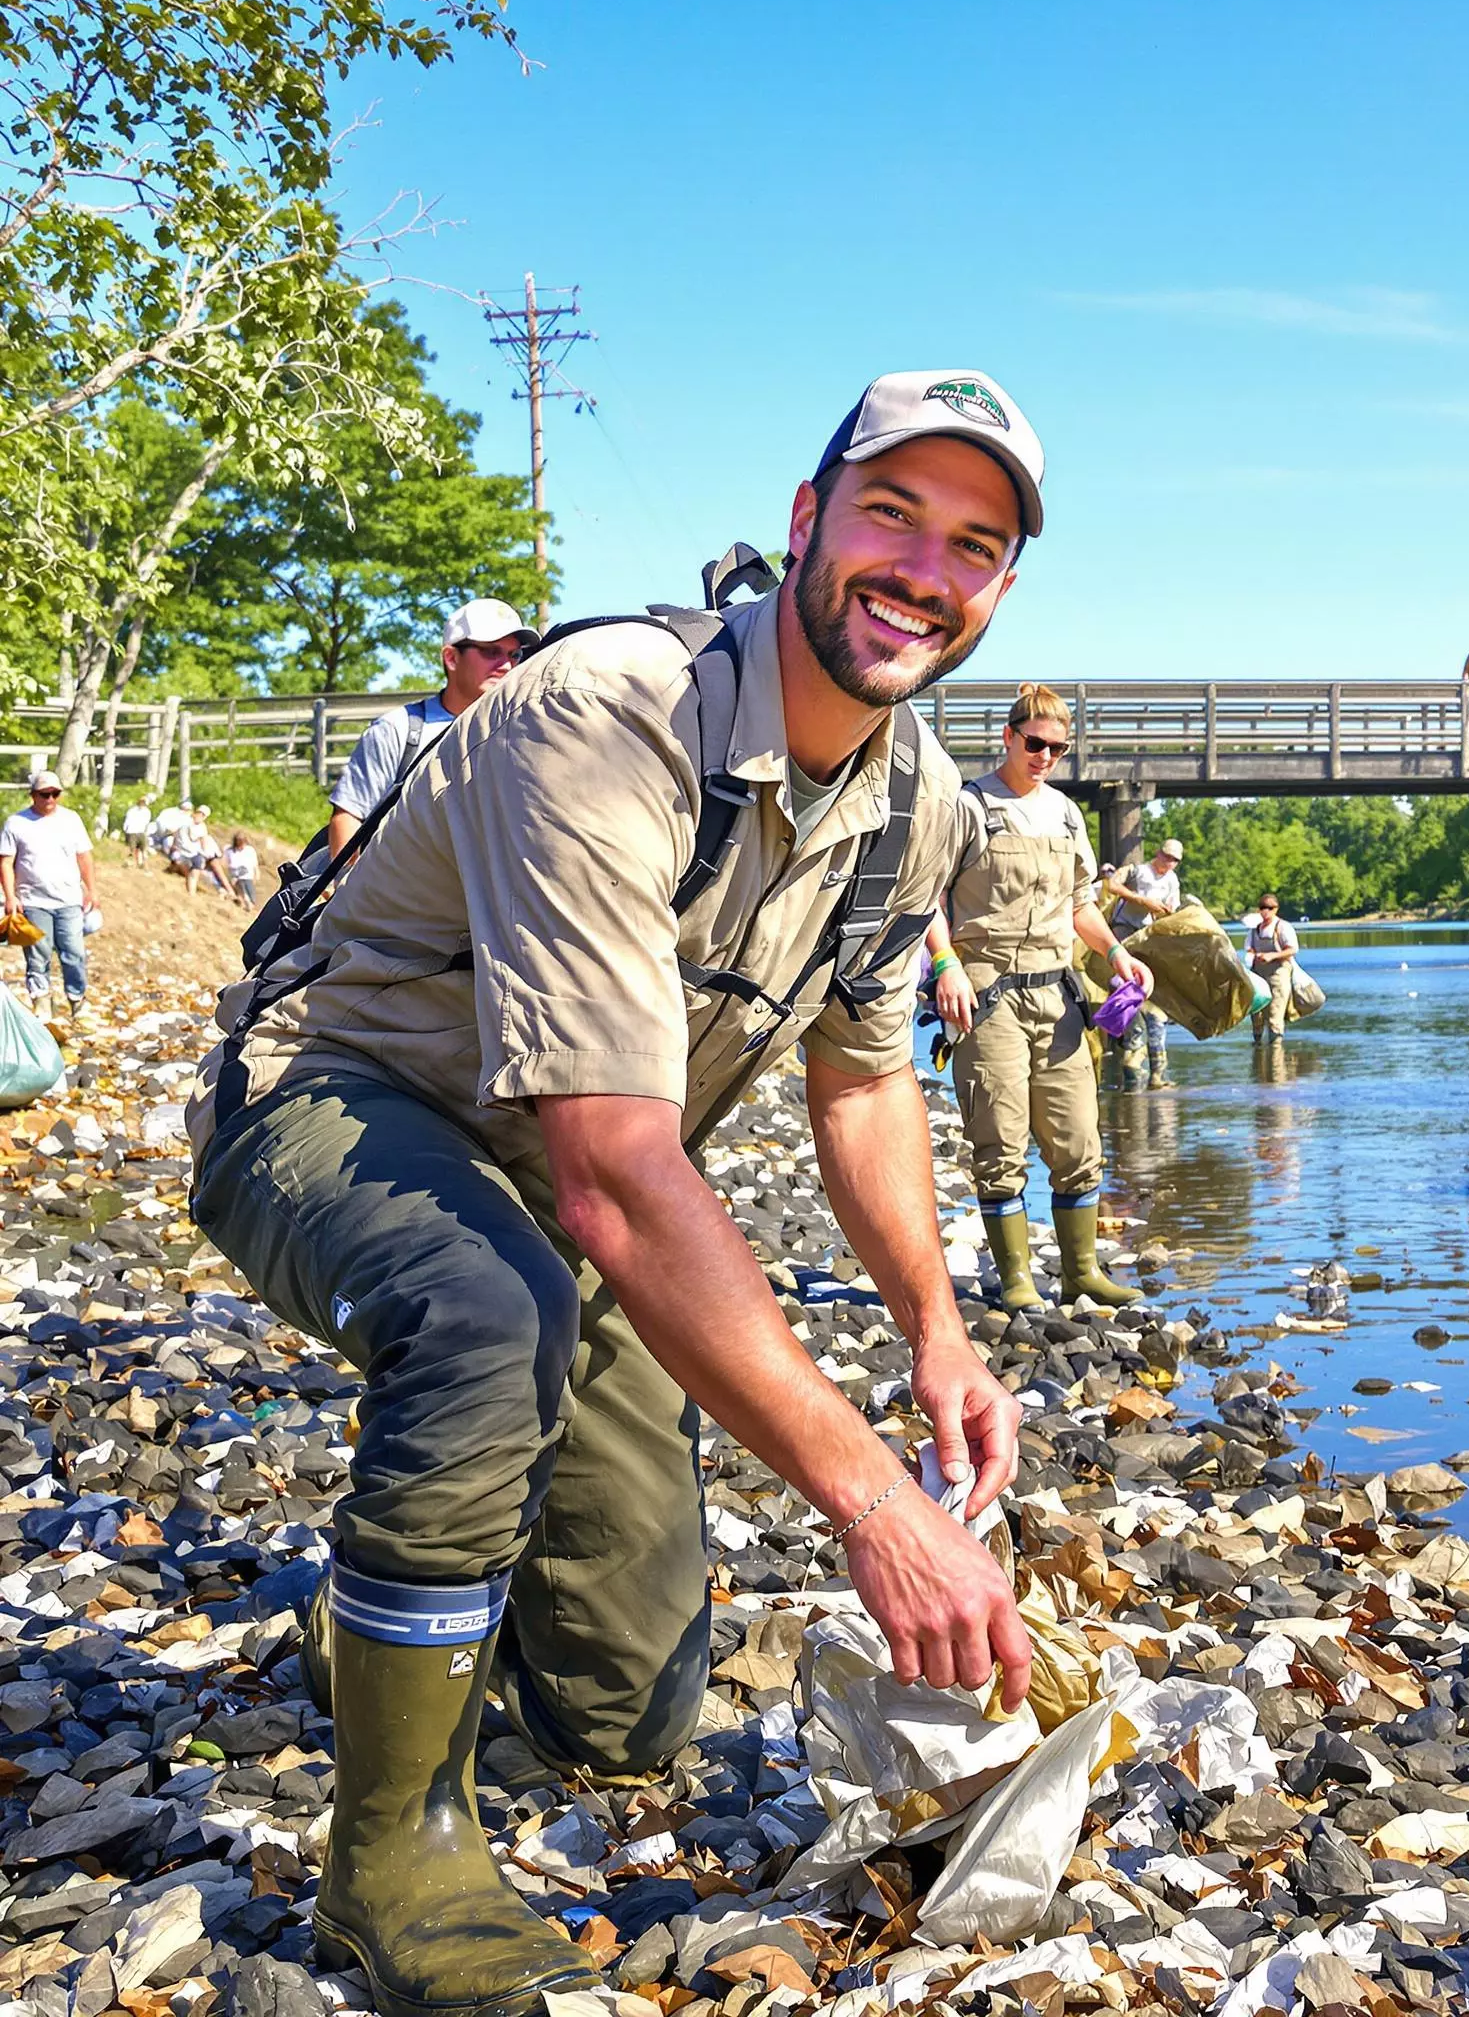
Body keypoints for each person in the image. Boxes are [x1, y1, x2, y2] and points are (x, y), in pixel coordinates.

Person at [185, 369, 1042, 2017]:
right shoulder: (614, 707)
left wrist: (937, 1330)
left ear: (999, 587)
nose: (922, 566)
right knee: (491, 1307)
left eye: (974, 543)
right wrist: (876, 1506)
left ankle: (375, 1622)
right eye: (889, 512)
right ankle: (397, 1855)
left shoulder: (917, 804)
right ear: (803, 522)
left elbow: (862, 1080)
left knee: (623, 1723)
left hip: (562, 1190)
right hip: (332, 1104)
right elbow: (612, 1175)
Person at [924, 684, 1152, 1312]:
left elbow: (1081, 905)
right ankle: (1017, 1280)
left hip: (1059, 1000)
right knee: (999, 1142)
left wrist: (1117, 955)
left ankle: (1082, 1273)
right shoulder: (970, 807)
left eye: (1058, 747)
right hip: (987, 997)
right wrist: (945, 965)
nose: (1045, 755)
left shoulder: (1066, 815)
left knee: (1079, 1142)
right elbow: (925, 900)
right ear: (1009, 737)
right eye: (1035, 743)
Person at [326, 597, 539, 859]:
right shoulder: (397, 730)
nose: (506, 665)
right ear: (451, 657)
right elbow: (348, 818)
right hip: (401, 896)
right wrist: (347, 894)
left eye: (514, 655)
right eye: (491, 652)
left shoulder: (524, 735)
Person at [0, 773, 97, 1019]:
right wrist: (10, 896)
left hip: (68, 899)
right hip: (33, 901)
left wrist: (91, 890)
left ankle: (77, 999)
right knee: (37, 954)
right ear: (33, 795)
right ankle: (42, 1000)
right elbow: (6, 861)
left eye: (55, 793)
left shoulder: (71, 820)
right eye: (45, 794)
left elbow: (84, 857)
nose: (50, 799)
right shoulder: (17, 823)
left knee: (74, 952)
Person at [1102, 836, 1183, 1088]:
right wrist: (1140, 900)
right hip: (1125, 929)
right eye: (1166, 857)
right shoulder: (1138, 871)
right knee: (1124, 984)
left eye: (1174, 861)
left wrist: (1165, 910)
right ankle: (1128, 1057)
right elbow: (1112, 885)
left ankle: (1157, 1072)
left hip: (1151, 934)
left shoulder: (1172, 880)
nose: (1168, 863)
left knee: (1154, 1000)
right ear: (1158, 853)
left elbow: (1174, 907)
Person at [1247, 893, 1300, 1041]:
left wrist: (1271, 956)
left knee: (1274, 1017)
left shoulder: (1283, 927)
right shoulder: (1254, 930)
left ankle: (1276, 1054)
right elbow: (1249, 948)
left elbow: (1293, 949)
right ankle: (1258, 1051)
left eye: (1270, 908)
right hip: (1257, 975)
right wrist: (1253, 955)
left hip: (1278, 975)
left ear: (1276, 909)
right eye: (1263, 907)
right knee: (1256, 1016)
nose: (1266, 911)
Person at [225, 829, 260, 910]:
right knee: (240, 885)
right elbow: (226, 863)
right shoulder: (230, 851)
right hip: (235, 876)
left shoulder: (250, 850)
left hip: (247, 876)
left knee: (248, 890)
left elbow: (255, 864)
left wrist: (256, 873)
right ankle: (243, 900)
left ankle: (248, 902)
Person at [121, 794, 153, 868]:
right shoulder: (132, 810)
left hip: (141, 832)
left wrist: (146, 832)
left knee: (143, 849)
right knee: (132, 849)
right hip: (132, 831)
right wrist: (125, 830)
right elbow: (127, 821)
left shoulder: (147, 811)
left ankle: (143, 864)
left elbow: (146, 823)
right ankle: (131, 864)